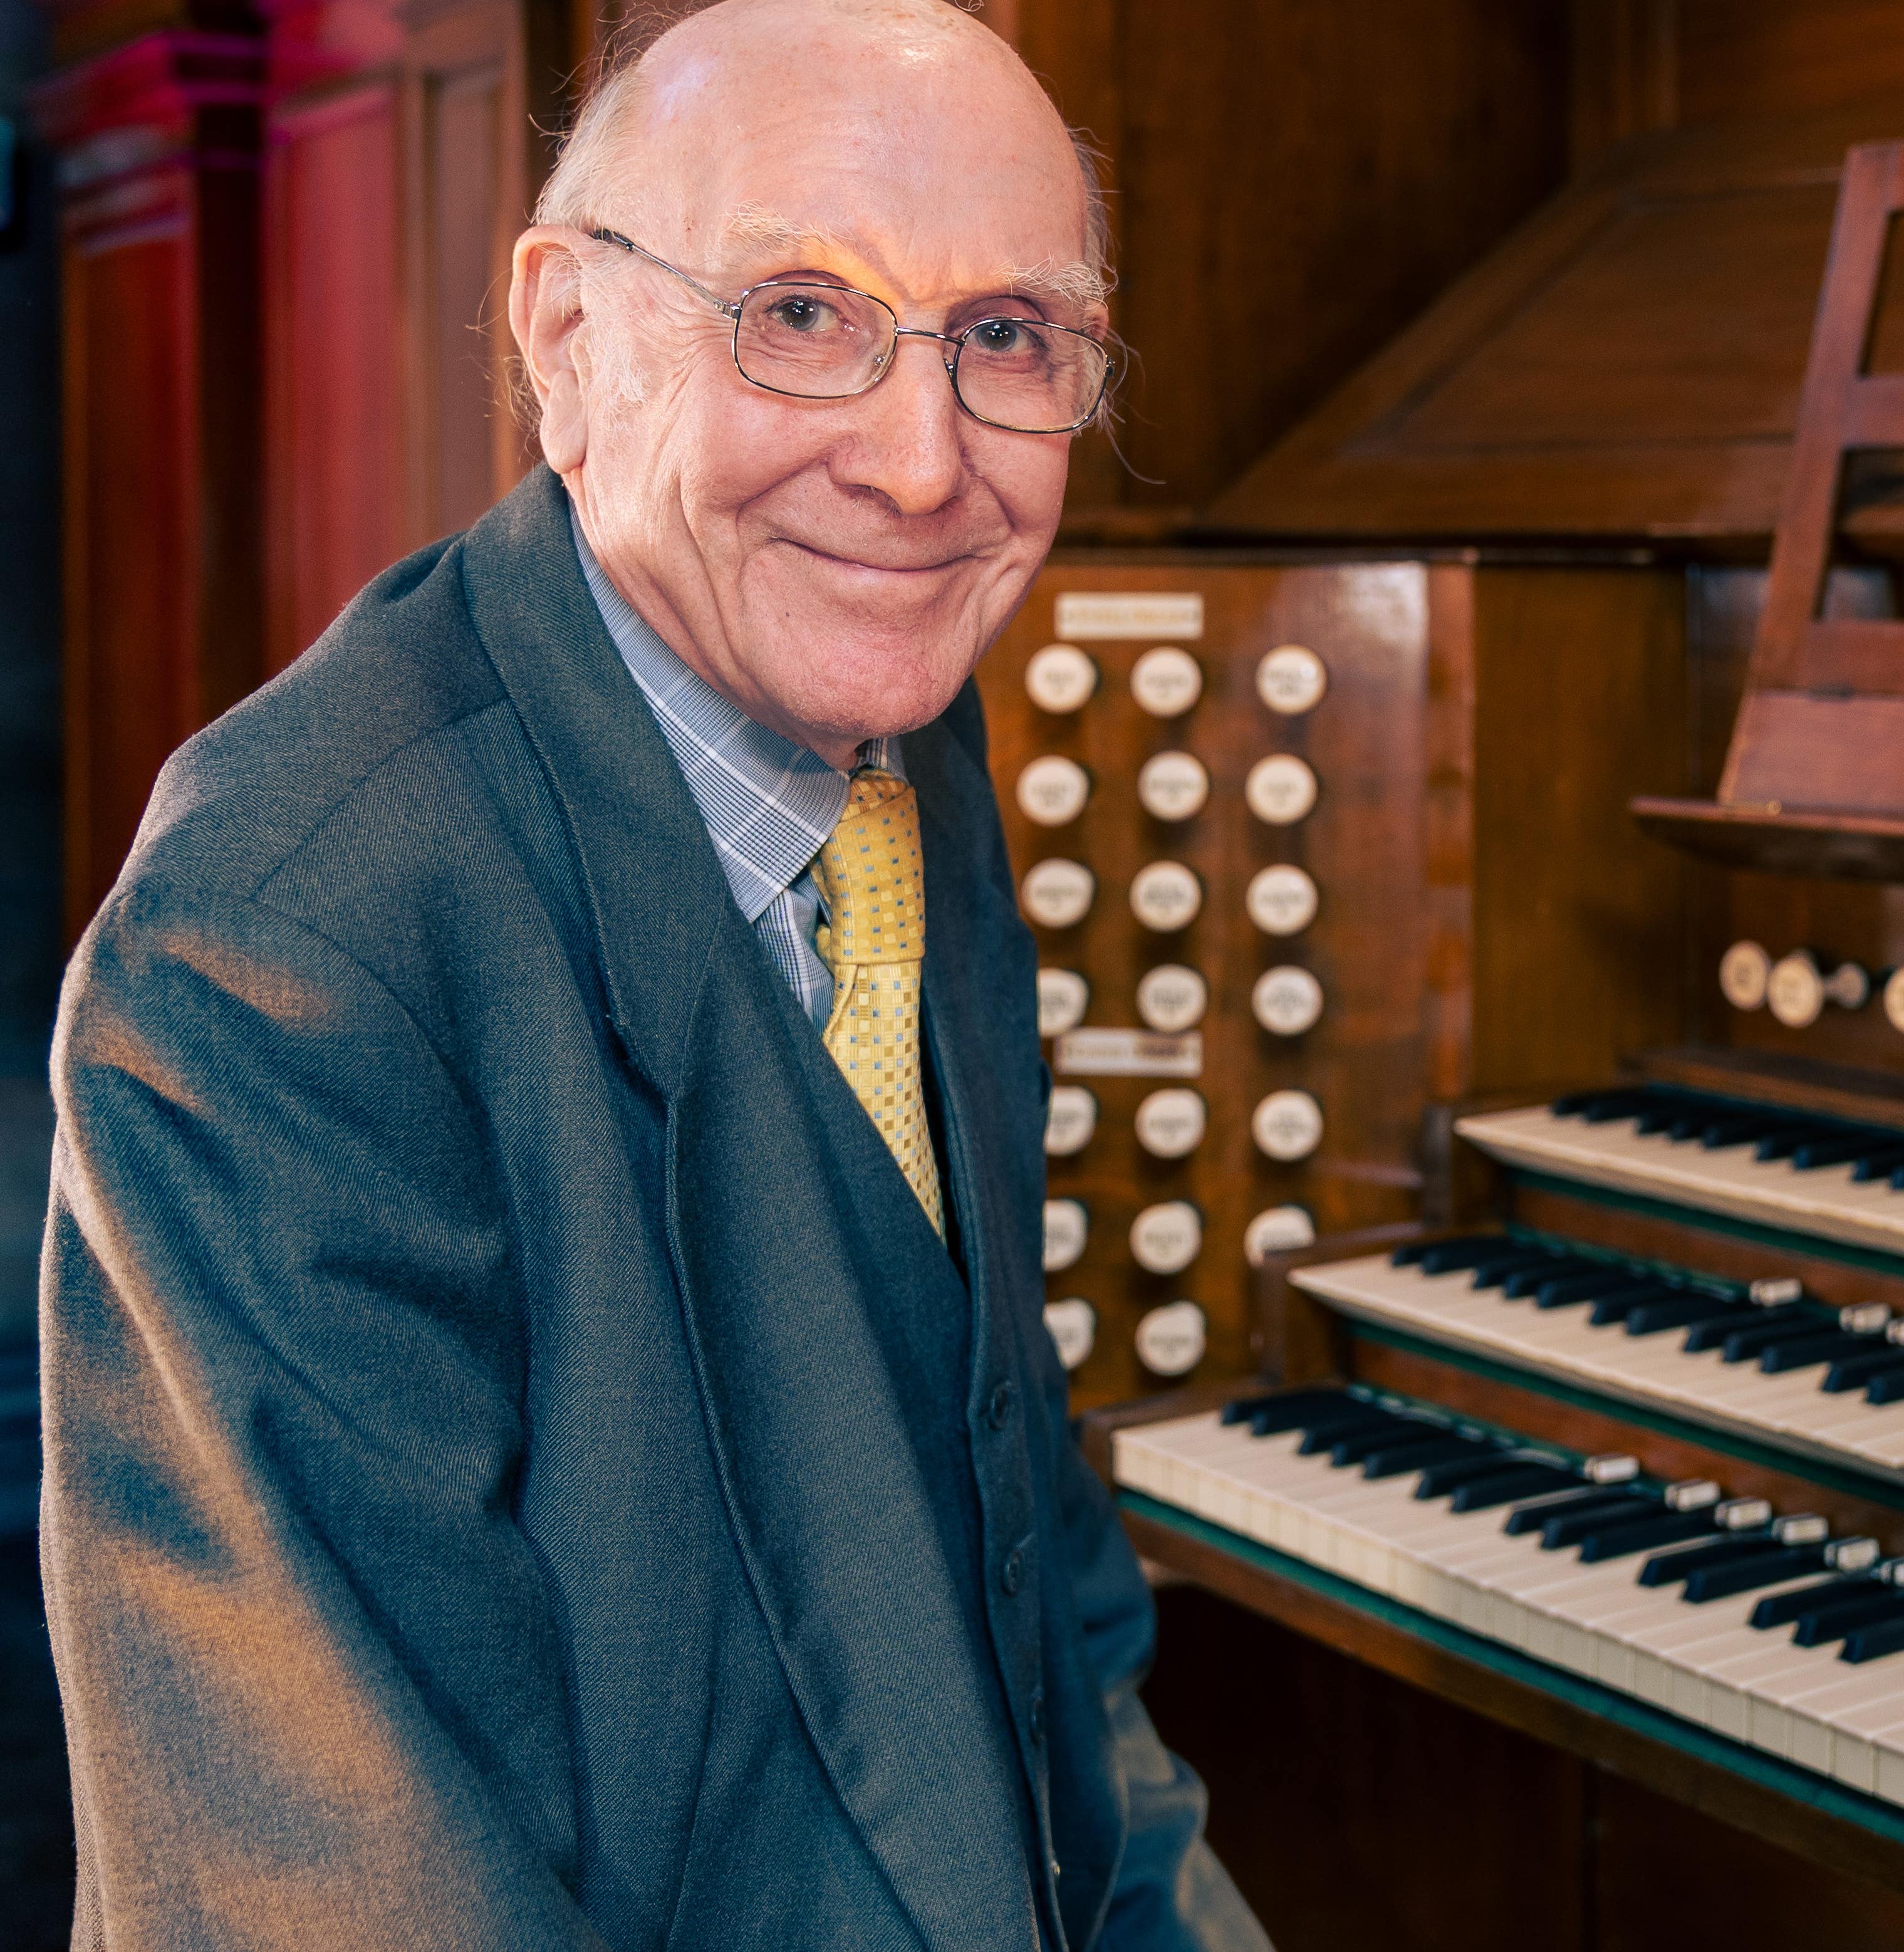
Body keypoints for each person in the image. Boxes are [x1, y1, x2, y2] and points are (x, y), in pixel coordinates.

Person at [39, 0, 1267, 1944]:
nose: (923, 466)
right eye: (802, 312)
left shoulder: (905, 740)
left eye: (1007, 335)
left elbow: (1023, 1563)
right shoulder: (277, 952)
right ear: (567, 338)